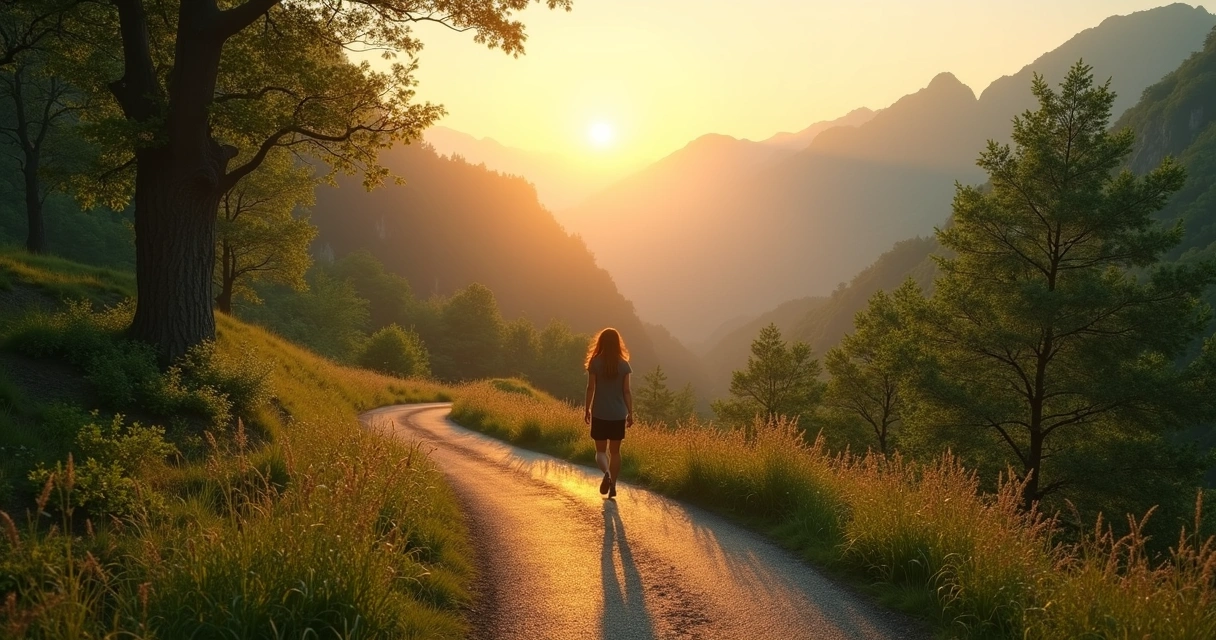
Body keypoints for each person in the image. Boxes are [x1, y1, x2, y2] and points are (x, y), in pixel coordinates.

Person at [584, 327, 633, 498]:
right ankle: (613, 484)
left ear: (601, 342)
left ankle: (606, 474)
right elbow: (627, 391)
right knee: (615, 452)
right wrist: (631, 413)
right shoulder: (624, 365)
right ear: (618, 343)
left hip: (599, 413)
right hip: (618, 415)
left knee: (600, 451)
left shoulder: (595, 362)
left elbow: (591, 387)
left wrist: (587, 409)